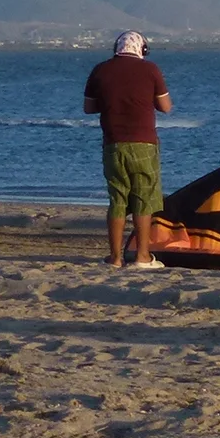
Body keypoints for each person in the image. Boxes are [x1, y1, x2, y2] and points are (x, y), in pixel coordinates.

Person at [83, 31, 173, 269]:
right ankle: (142, 256)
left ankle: (115, 258)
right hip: (144, 142)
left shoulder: (100, 70)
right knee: (144, 198)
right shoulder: (151, 70)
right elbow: (165, 107)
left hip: (113, 142)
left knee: (117, 199)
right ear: (142, 49)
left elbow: (88, 108)